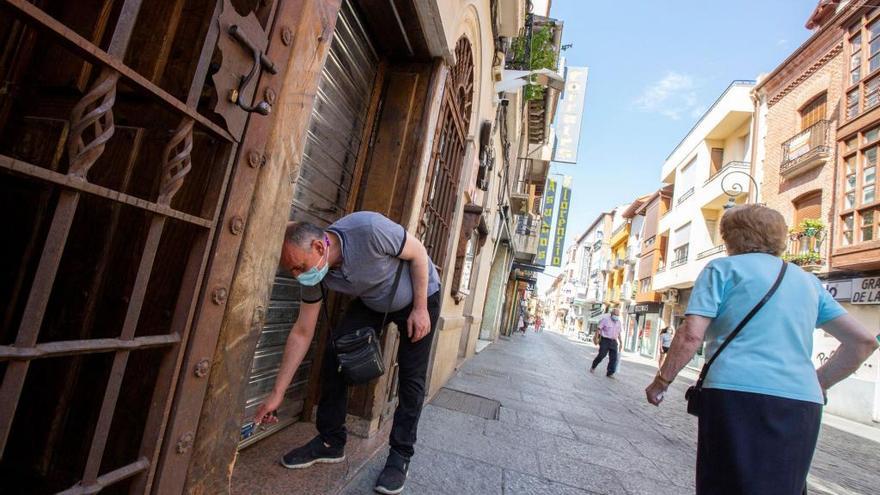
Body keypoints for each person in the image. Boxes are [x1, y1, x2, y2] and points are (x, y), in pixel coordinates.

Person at [644, 205, 878, 495]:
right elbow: (863, 342)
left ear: (731, 237)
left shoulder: (722, 269)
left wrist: (662, 381)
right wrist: (818, 382)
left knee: (725, 484)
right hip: (801, 402)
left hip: (734, 394)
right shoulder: (808, 281)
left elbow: (691, 334)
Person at [253, 211, 442, 495]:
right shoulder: (313, 274)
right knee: (334, 354)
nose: (298, 276)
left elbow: (418, 253)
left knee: (411, 378)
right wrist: (277, 393)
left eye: (299, 267)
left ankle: (400, 455)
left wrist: (420, 309)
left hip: (419, 294)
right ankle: (331, 441)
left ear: (319, 247)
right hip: (373, 300)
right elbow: (303, 332)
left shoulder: (368, 229)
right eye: (291, 271)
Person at [590, 308, 623, 377]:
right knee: (602, 355)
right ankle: (593, 366)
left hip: (614, 341)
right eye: (615, 314)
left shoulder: (619, 322)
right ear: (611, 314)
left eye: (618, 315)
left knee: (614, 358)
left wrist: (621, 342)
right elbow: (599, 329)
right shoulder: (605, 320)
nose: (616, 316)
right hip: (605, 340)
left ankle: (610, 372)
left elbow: (619, 333)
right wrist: (596, 338)